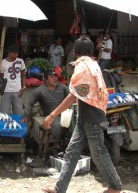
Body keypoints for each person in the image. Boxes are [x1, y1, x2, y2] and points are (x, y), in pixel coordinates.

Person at [42, 37, 122, 193]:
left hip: (91, 116)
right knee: (71, 153)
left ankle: (115, 186)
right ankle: (60, 189)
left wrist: (52, 115)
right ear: (91, 51)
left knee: (98, 153)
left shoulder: (83, 67)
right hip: (86, 117)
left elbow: (74, 95)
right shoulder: (92, 65)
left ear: (74, 51)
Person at [21, 70, 69, 150]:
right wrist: (27, 116)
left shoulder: (63, 87)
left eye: (55, 76)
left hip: (65, 114)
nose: (55, 78)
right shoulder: (40, 90)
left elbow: (72, 96)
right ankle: (56, 145)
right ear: (46, 80)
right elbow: (29, 103)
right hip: (51, 116)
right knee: (57, 124)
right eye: (51, 77)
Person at [0, 44, 26, 114]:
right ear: (9, 53)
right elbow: (1, 77)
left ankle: (18, 124)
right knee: (4, 113)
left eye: (17, 53)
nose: (16, 55)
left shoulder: (20, 61)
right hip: (6, 90)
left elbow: (23, 75)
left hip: (17, 90)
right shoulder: (2, 63)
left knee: (19, 113)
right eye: (15, 53)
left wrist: (23, 87)